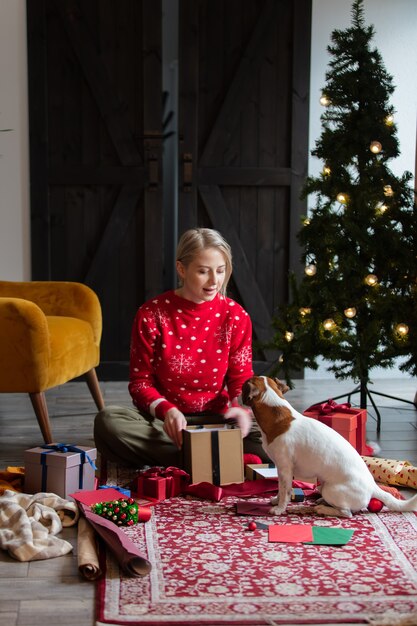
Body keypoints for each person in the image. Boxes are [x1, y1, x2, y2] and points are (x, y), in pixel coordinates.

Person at [94, 227, 268, 468]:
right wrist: (167, 411)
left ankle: (193, 457)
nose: (214, 281)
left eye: (220, 271)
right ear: (181, 269)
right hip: (166, 424)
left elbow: (240, 377)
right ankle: (216, 458)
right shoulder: (151, 314)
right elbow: (140, 383)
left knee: (272, 429)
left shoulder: (236, 316)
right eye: (203, 272)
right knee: (109, 422)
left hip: (218, 420)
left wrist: (239, 409)